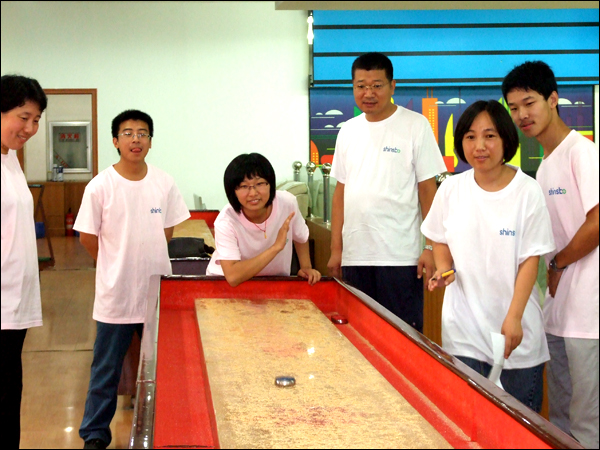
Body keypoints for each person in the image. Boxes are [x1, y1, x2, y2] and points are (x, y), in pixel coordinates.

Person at [421, 100, 555, 412]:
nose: (479, 146)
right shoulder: (451, 189)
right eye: (470, 137)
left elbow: (530, 261)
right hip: (463, 334)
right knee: (465, 420)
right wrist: (444, 268)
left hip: (515, 336)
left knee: (519, 426)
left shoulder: (527, 191)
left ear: (506, 139)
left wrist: (514, 317)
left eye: (489, 136)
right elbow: (439, 238)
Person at [75, 109, 190, 449]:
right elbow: (87, 237)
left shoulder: (164, 182)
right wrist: (114, 264)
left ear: (151, 142)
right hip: (116, 295)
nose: (135, 139)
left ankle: (169, 429)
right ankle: (95, 435)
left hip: (156, 294)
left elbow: (166, 231)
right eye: (127, 133)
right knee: (105, 371)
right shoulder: (101, 186)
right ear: (115, 141)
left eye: (142, 133)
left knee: (165, 368)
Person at [503, 61, 599, 448]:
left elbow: (597, 222)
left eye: (529, 103)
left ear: (553, 99)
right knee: (560, 419)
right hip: (559, 313)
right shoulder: (544, 168)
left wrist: (558, 263)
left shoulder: (582, 153)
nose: (522, 115)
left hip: (589, 315)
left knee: (587, 422)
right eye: (513, 108)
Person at [326, 52, 446, 332]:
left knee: (401, 335)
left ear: (393, 86)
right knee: (357, 335)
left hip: (400, 258)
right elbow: (340, 193)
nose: (368, 93)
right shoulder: (347, 131)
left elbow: (428, 191)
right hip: (356, 257)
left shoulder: (415, 125)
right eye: (361, 86)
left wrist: (430, 247)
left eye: (377, 85)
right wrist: (336, 249)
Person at [1, 74, 47, 448]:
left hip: (14, 304)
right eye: (23, 117)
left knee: (9, 395)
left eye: (36, 120)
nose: (30, 128)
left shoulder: (11, 158)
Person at [206, 153, 320, 287]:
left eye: (260, 183)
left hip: (274, 283)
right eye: (244, 186)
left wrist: (306, 267)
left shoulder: (287, 203)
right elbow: (233, 276)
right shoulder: (226, 221)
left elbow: (301, 236)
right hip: (227, 285)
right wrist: (275, 248)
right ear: (233, 191)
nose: (253, 193)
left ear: (270, 184)